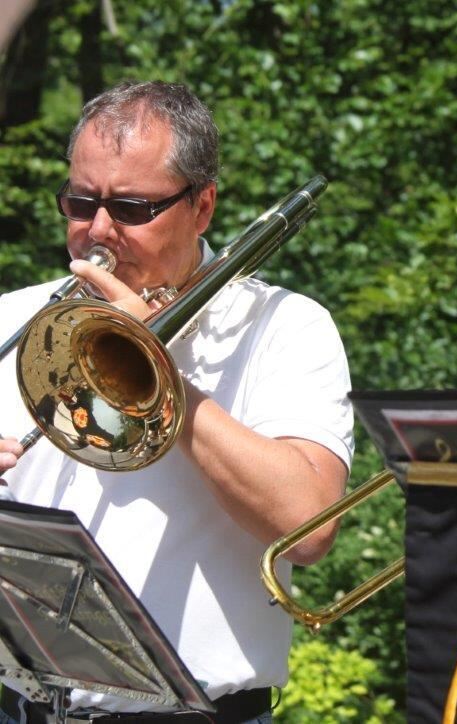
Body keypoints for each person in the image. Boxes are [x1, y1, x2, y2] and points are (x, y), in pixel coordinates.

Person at [0, 81, 354, 723]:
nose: (97, 231)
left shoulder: (282, 327)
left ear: (203, 206)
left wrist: (159, 374)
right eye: (80, 203)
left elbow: (310, 524)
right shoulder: (14, 319)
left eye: (132, 208)